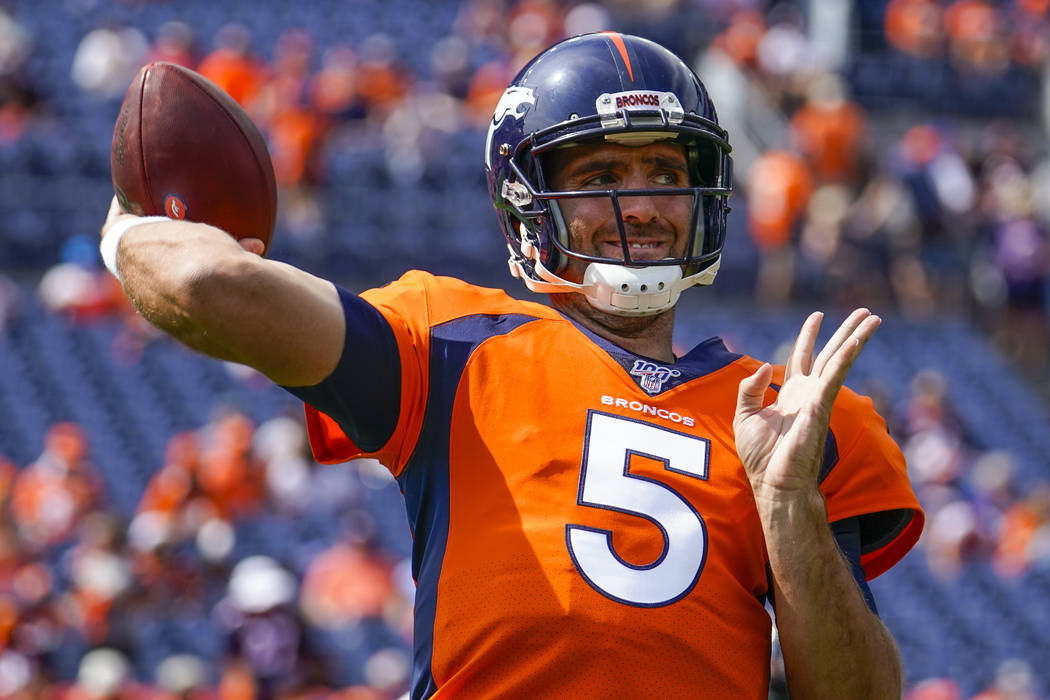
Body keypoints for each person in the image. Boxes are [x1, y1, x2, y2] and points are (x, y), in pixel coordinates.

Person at [99, 32, 923, 700]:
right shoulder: (453, 344)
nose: (639, 205)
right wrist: (127, 231)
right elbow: (210, 283)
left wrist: (789, 508)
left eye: (666, 174)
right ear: (524, 201)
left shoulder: (790, 415)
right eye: (601, 175)